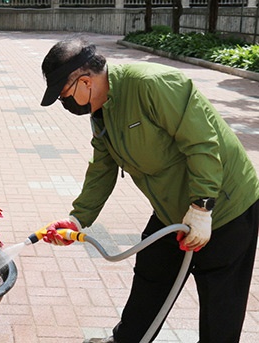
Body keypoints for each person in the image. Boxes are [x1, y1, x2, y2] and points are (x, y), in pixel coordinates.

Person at [39, 37, 259, 343]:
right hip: (173, 210)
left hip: (225, 205)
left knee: (220, 298)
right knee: (153, 271)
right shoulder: (101, 111)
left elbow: (202, 143)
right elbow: (103, 168)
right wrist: (77, 220)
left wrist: (202, 207)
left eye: (65, 96)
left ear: (85, 81)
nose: (66, 104)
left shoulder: (152, 85)